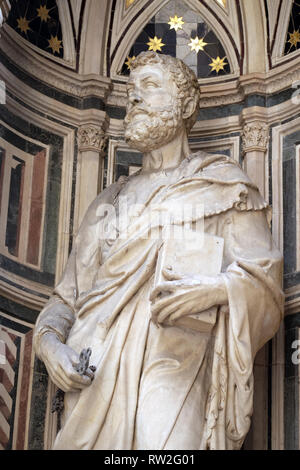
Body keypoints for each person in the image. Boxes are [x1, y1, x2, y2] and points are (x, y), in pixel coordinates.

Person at [33, 51, 284, 450]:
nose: (134, 98)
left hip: (177, 367)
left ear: (185, 105)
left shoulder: (222, 186)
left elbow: (266, 283)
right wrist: (50, 347)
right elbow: (65, 301)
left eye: (149, 87)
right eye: (131, 90)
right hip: (94, 373)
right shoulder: (107, 204)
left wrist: (217, 290)